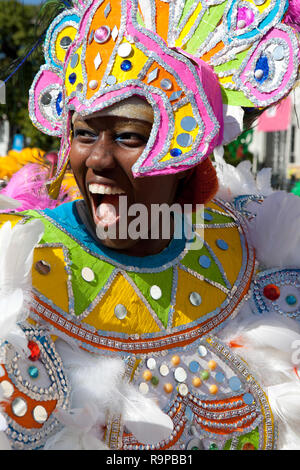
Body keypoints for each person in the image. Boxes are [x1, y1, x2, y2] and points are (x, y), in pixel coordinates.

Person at [0, 0, 300, 451]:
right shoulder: (16, 263)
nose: (98, 159)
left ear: (189, 161)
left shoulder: (258, 248)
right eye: (84, 134)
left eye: (129, 137)